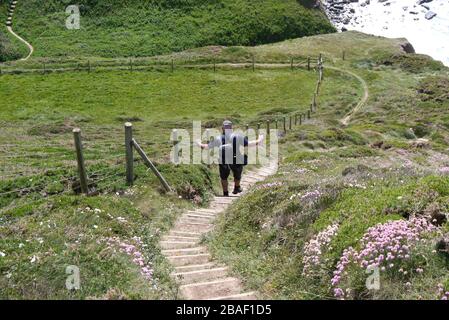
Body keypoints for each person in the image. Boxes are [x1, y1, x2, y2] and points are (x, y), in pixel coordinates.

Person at [197, 120, 264, 197]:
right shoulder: (237, 136)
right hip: (236, 159)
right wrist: (259, 139)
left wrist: (198, 143)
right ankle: (236, 187)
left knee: (224, 177)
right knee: (237, 173)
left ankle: (225, 193)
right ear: (231, 128)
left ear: (222, 128)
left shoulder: (218, 138)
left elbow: (206, 147)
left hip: (223, 160)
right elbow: (249, 144)